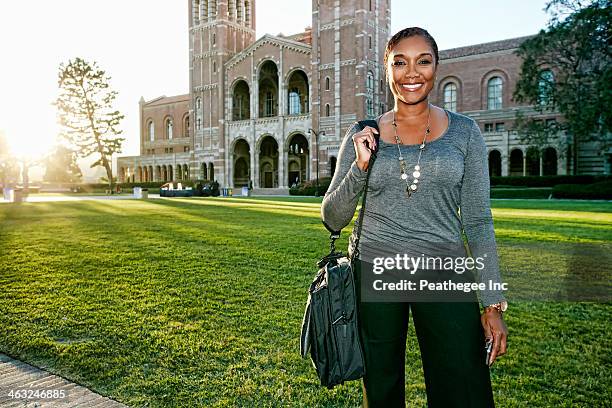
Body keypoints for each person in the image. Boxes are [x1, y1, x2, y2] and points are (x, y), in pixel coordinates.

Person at [321, 27, 508, 407]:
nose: (412, 73)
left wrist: (491, 301)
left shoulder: (465, 133)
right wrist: (360, 167)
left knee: (462, 383)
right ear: (387, 69)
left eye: (423, 61)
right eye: (400, 62)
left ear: (436, 68)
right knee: (382, 385)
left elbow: (477, 220)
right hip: (376, 269)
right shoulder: (363, 133)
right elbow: (332, 218)